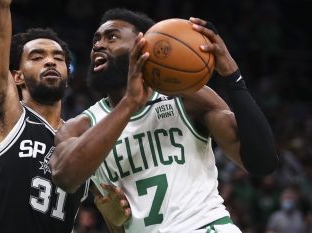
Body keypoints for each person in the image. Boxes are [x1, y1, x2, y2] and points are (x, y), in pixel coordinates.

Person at [50, 8, 278, 233]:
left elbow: (262, 162)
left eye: (112, 37)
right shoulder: (80, 127)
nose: (98, 45)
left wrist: (232, 75)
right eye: (95, 40)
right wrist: (130, 103)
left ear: (143, 45)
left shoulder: (188, 99)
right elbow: (65, 177)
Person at [0, 1, 130, 233]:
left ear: (67, 73)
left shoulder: (81, 144)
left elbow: (116, 223)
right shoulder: (4, 116)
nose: (50, 61)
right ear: (17, 77)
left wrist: (117, 220)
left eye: (58, 57)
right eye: (37, 57)